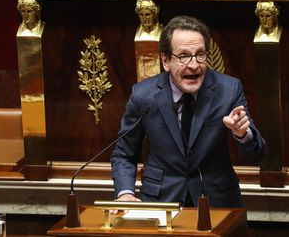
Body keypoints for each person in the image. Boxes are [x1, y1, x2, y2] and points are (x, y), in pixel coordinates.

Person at [111, 15, 266, 208]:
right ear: (165, 60)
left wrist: (242, 134)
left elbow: (257, 153)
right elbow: (124, 154)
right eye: (183, 56)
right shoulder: (144, 95)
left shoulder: (228, 90)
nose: (194, 65)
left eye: (200, 54)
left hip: (217, 202)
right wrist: (125, 193)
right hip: (161, 202)